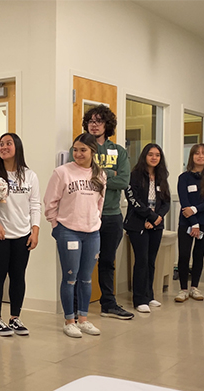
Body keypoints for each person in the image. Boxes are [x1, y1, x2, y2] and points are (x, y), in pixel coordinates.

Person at [45, 133, 105, 338]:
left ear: (92, 152)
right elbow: (50, 202)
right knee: (70, 277)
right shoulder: (62, 172)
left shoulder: (100, 175)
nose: (78, 154)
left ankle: (84, 319)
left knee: (86, 278)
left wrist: (96, 222)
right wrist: (56, 226)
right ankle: (69, 320)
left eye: (83, 150)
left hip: (92, 232)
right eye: (75, 149)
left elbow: (100, 205)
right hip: (68, 230)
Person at [77, 105, 133, 320]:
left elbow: (124, 180)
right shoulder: (81, 147)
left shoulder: (118, 151)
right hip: (86, 214)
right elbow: (80, 177)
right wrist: (111, 173)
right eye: (91, 120)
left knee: (108, 261)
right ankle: (75, 305)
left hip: (111, 215)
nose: (94, 124)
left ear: (106, 124)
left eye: (99, 120)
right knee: (82, 262)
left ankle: (108, 304)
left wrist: (100, 173)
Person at [0, 133, 40, 336]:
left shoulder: (29, 175)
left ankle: (15, 318)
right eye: (1, 144)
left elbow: (35, 205)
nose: (4, 147)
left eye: (9, 143)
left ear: (18, 147)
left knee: (18, 277)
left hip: (22, 234)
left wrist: (35, 230)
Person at [124, 143, 170, 314]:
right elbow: (132, 199)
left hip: (156, 225)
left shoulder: (161, 176)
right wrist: (149, 217)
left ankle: (149, 295)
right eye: (150, 154)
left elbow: (165, 202)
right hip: (138, 224)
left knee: (151, 261)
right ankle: (139, 298)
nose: (154, 158)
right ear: (144, 156)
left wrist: (157, 218)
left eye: (157, 155)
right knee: (141, 261)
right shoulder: (135, 176)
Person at [175, 143, 204, 302]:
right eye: (197, 153)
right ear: (191, 156)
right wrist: (193, 222)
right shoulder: (184, 178)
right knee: (184, 255)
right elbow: (184, 202)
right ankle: (183, 289)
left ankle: (194, 287)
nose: (200, 156)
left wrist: (194, 209)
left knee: (199, 255)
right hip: (186, 222)